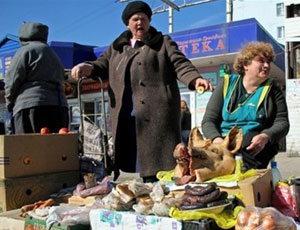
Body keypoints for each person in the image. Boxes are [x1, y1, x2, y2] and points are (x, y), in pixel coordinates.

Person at [71, 1, 213, 182]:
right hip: (126, 115)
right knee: (133, 160)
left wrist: (195, 79)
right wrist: (86, 67)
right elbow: (100, 66)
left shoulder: (162, 43)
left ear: (149, 21)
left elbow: (180, 63)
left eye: (144, 19)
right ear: (127, 23)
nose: (140, 23)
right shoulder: (117, 48)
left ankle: (159, 190)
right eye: (136, 19)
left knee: (159, 166)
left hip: (157, 115)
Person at [201, 41, 289, 170]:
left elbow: (282, 123)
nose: (266, 65)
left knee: (245, 153)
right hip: (224, 141)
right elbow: (208, 121)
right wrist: (217, 140)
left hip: (255, 142)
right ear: (246, 64)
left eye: (268, 62)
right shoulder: (226, 85)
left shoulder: (273, 90)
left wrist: (266, 136)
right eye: (261, 61)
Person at [4, 22, 69, 134]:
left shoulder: (24, 51)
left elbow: (12, 80)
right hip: (59, 106)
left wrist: (9, 104)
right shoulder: (53, 54)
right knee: (55, 147)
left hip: (30, 107)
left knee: (28, 147)